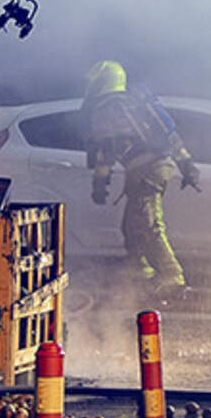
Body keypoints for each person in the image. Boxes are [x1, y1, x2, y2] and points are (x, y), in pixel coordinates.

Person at [80, 61, 196, 291]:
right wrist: (186, 164)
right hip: (152, 168)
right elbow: (170, 136)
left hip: (146, 170)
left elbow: (105, 152)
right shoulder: (133, 103)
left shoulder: (105, 110)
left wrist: (100, 184)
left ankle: (173, 279)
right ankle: (142, 276)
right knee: (131, 227)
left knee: (149, 225)